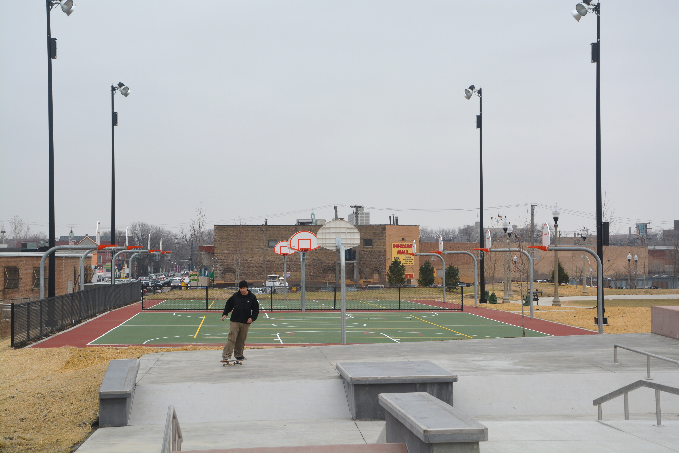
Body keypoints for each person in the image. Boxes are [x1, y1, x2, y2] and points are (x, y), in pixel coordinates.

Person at [222, 280, 259, 362]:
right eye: (240, 288)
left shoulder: (252, 297)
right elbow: (228, 305)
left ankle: (239, 355)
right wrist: (225, 313)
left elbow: (256, 309)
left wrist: (252, 318)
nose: (242, 290)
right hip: (235, 320)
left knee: (241, 339)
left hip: (246, 322)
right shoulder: (235, 296)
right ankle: (226, 356)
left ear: (247, 288)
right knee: (231, 338)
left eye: (243, 288)